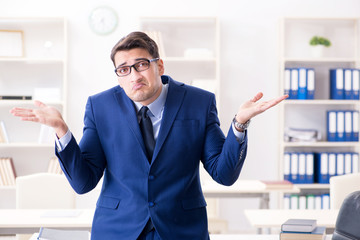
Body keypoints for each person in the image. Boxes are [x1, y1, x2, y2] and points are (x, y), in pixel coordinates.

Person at [10, 31, 287, 240]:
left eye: (141, 64)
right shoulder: (100, 106)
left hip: (182, 229)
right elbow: (84, 182)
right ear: (118, 75)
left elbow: (223, 174)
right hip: (118, 230)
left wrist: (239, 124)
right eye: (124, 70)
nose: (134, 76)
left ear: (159, 66)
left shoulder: (198, 102)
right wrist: (62, 131)